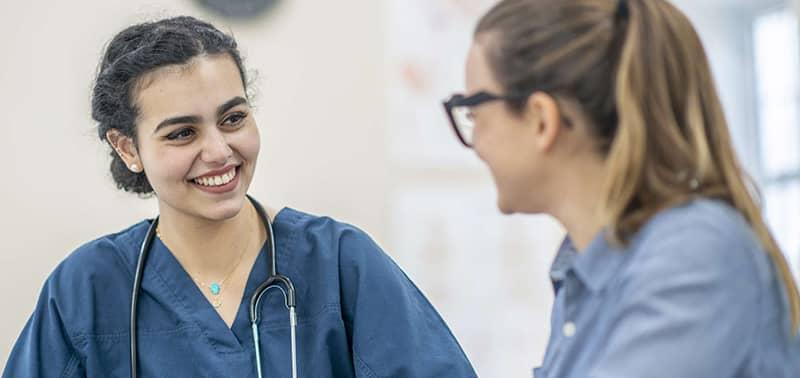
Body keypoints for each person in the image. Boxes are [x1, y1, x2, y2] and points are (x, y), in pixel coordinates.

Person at [4, 16, 476, 378]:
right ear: (128, 148)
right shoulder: (86, 288)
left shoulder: (338, 263)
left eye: (232, 119)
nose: (218, 151)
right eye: (182, 133)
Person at [442, 0, 800, 376]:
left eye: (473, 110)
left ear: (540, 120)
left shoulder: (695, 255)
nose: (476, 140)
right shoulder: (583, 273)